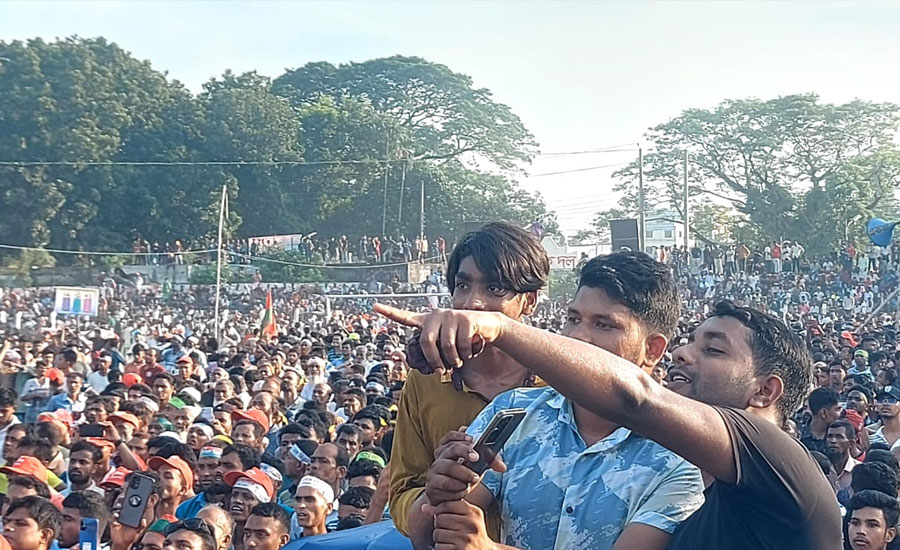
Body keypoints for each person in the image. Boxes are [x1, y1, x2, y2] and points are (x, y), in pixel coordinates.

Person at [375, 297, 842, 549]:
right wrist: (442, 499)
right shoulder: (707, 491)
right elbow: (429, 531)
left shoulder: (776, 459)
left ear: (765, 392)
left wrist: (500, 327)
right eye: (691, 340)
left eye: (714, 349)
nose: (684, 353)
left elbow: (635, 398)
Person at [410, 252, 705, 550]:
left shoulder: (679, 457)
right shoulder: (515, 411)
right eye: (573, 319)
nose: (577, 337)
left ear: (652, 350)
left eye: (604, 325)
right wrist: (440, 494)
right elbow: (428, 539)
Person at [390, 222, 550, 539]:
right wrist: (434, 494)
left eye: (494, 289)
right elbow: (401, 493)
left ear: (528, 301)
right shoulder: (427, 381)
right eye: (463, 286)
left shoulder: (559, 384)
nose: (472, 303)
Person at [224, 468, 275, 550]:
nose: (237, 500)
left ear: (261, 503)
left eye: (247, 497)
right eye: (234, 495)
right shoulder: (220, 537)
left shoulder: (270, 542)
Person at [147, 456, 194, 520]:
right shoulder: (143, 514)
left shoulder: (188, 520)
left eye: (167, 476)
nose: (159, 478)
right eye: (157, 474)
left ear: (183, 490)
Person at [802, 387, 842, 454]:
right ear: (824, 413)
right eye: (837, 409)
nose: (841, 413)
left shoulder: (840, 437)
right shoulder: (798, 435)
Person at [825, 419, 859, 494]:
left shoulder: (859, 470)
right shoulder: (820, 467)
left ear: (851, 443)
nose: (833, 440)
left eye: (839, 437)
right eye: (830, 436)